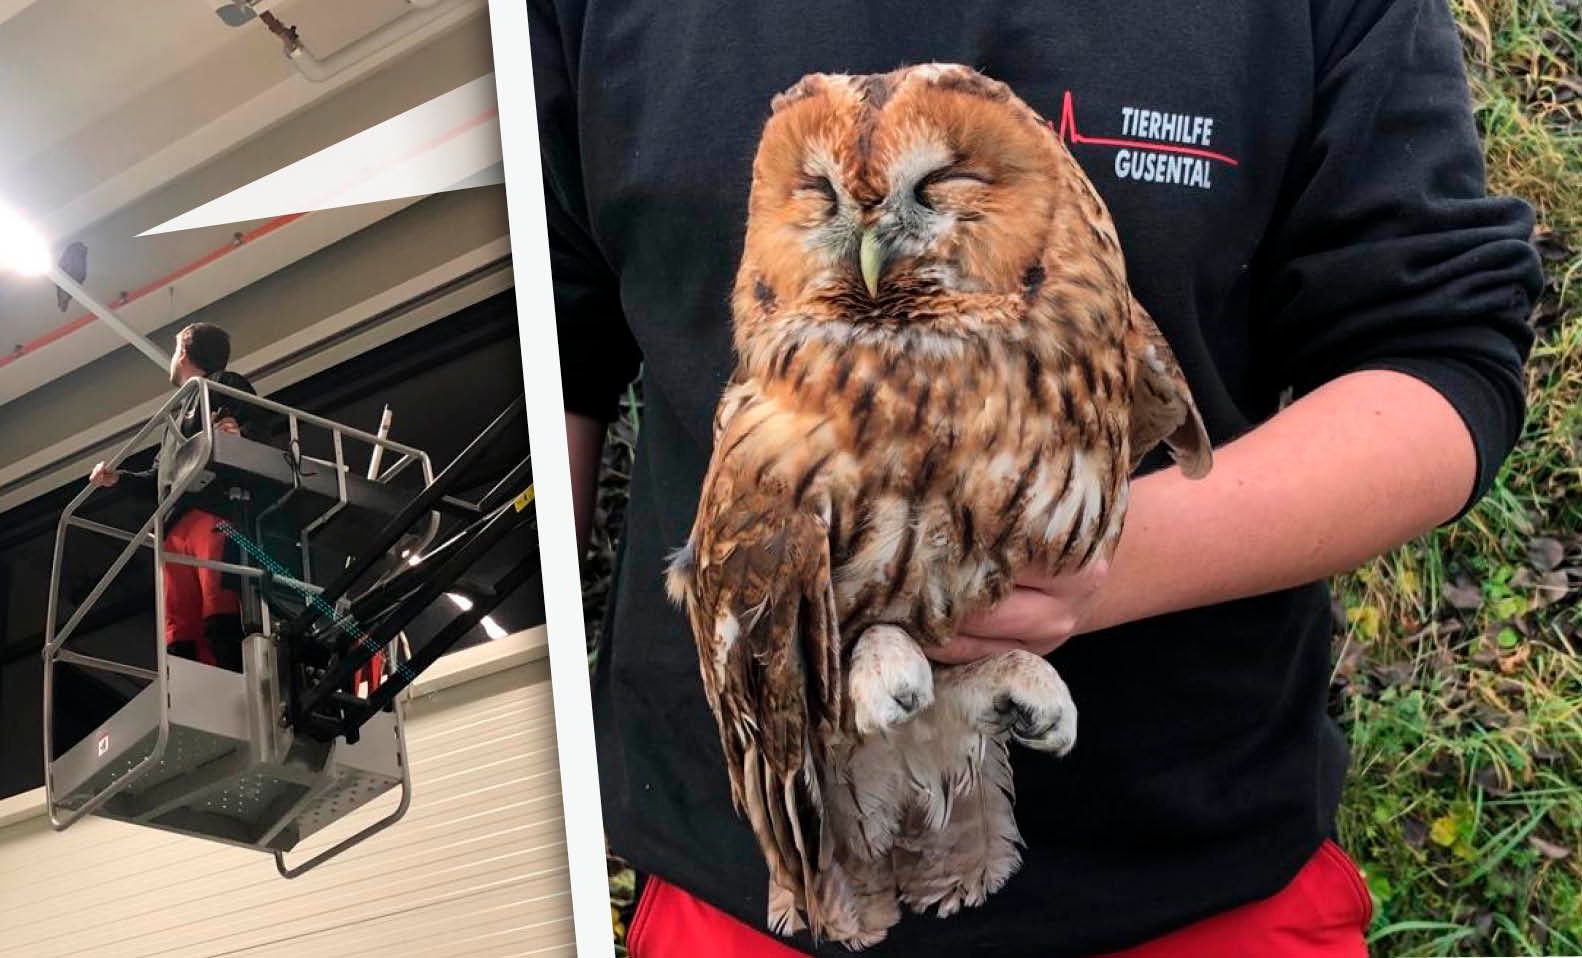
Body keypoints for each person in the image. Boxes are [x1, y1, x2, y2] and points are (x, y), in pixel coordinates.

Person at [534, 1, 1541, 955]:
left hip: (1190, 881)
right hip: (755, 883)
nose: (876, 251)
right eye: (825, 209)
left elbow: (1438, 353)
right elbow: (532, 361)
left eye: (939, 199)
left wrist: (1096, 556)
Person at [90, 322, 263, 672]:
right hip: (174, 524)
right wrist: (118, 479)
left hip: (209, 508)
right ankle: (192, 690)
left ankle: (232, 680)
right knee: (180, 626)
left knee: (219, 607)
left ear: (183, 352)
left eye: (174, 350)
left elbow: (255, 428)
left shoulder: (222, 385)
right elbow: (158, 477)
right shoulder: (175, 417)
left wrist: (238, 431)